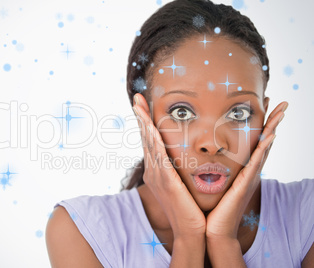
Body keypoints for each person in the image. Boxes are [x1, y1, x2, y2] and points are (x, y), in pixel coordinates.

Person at [45, 0, 314, 267]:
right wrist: (188, 238)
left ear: (265, 118)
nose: (212, 143)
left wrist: (223, 242)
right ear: (144, 117)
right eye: (182, 113)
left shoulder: (307, 215)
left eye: (238, 114)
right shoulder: (83, 232)